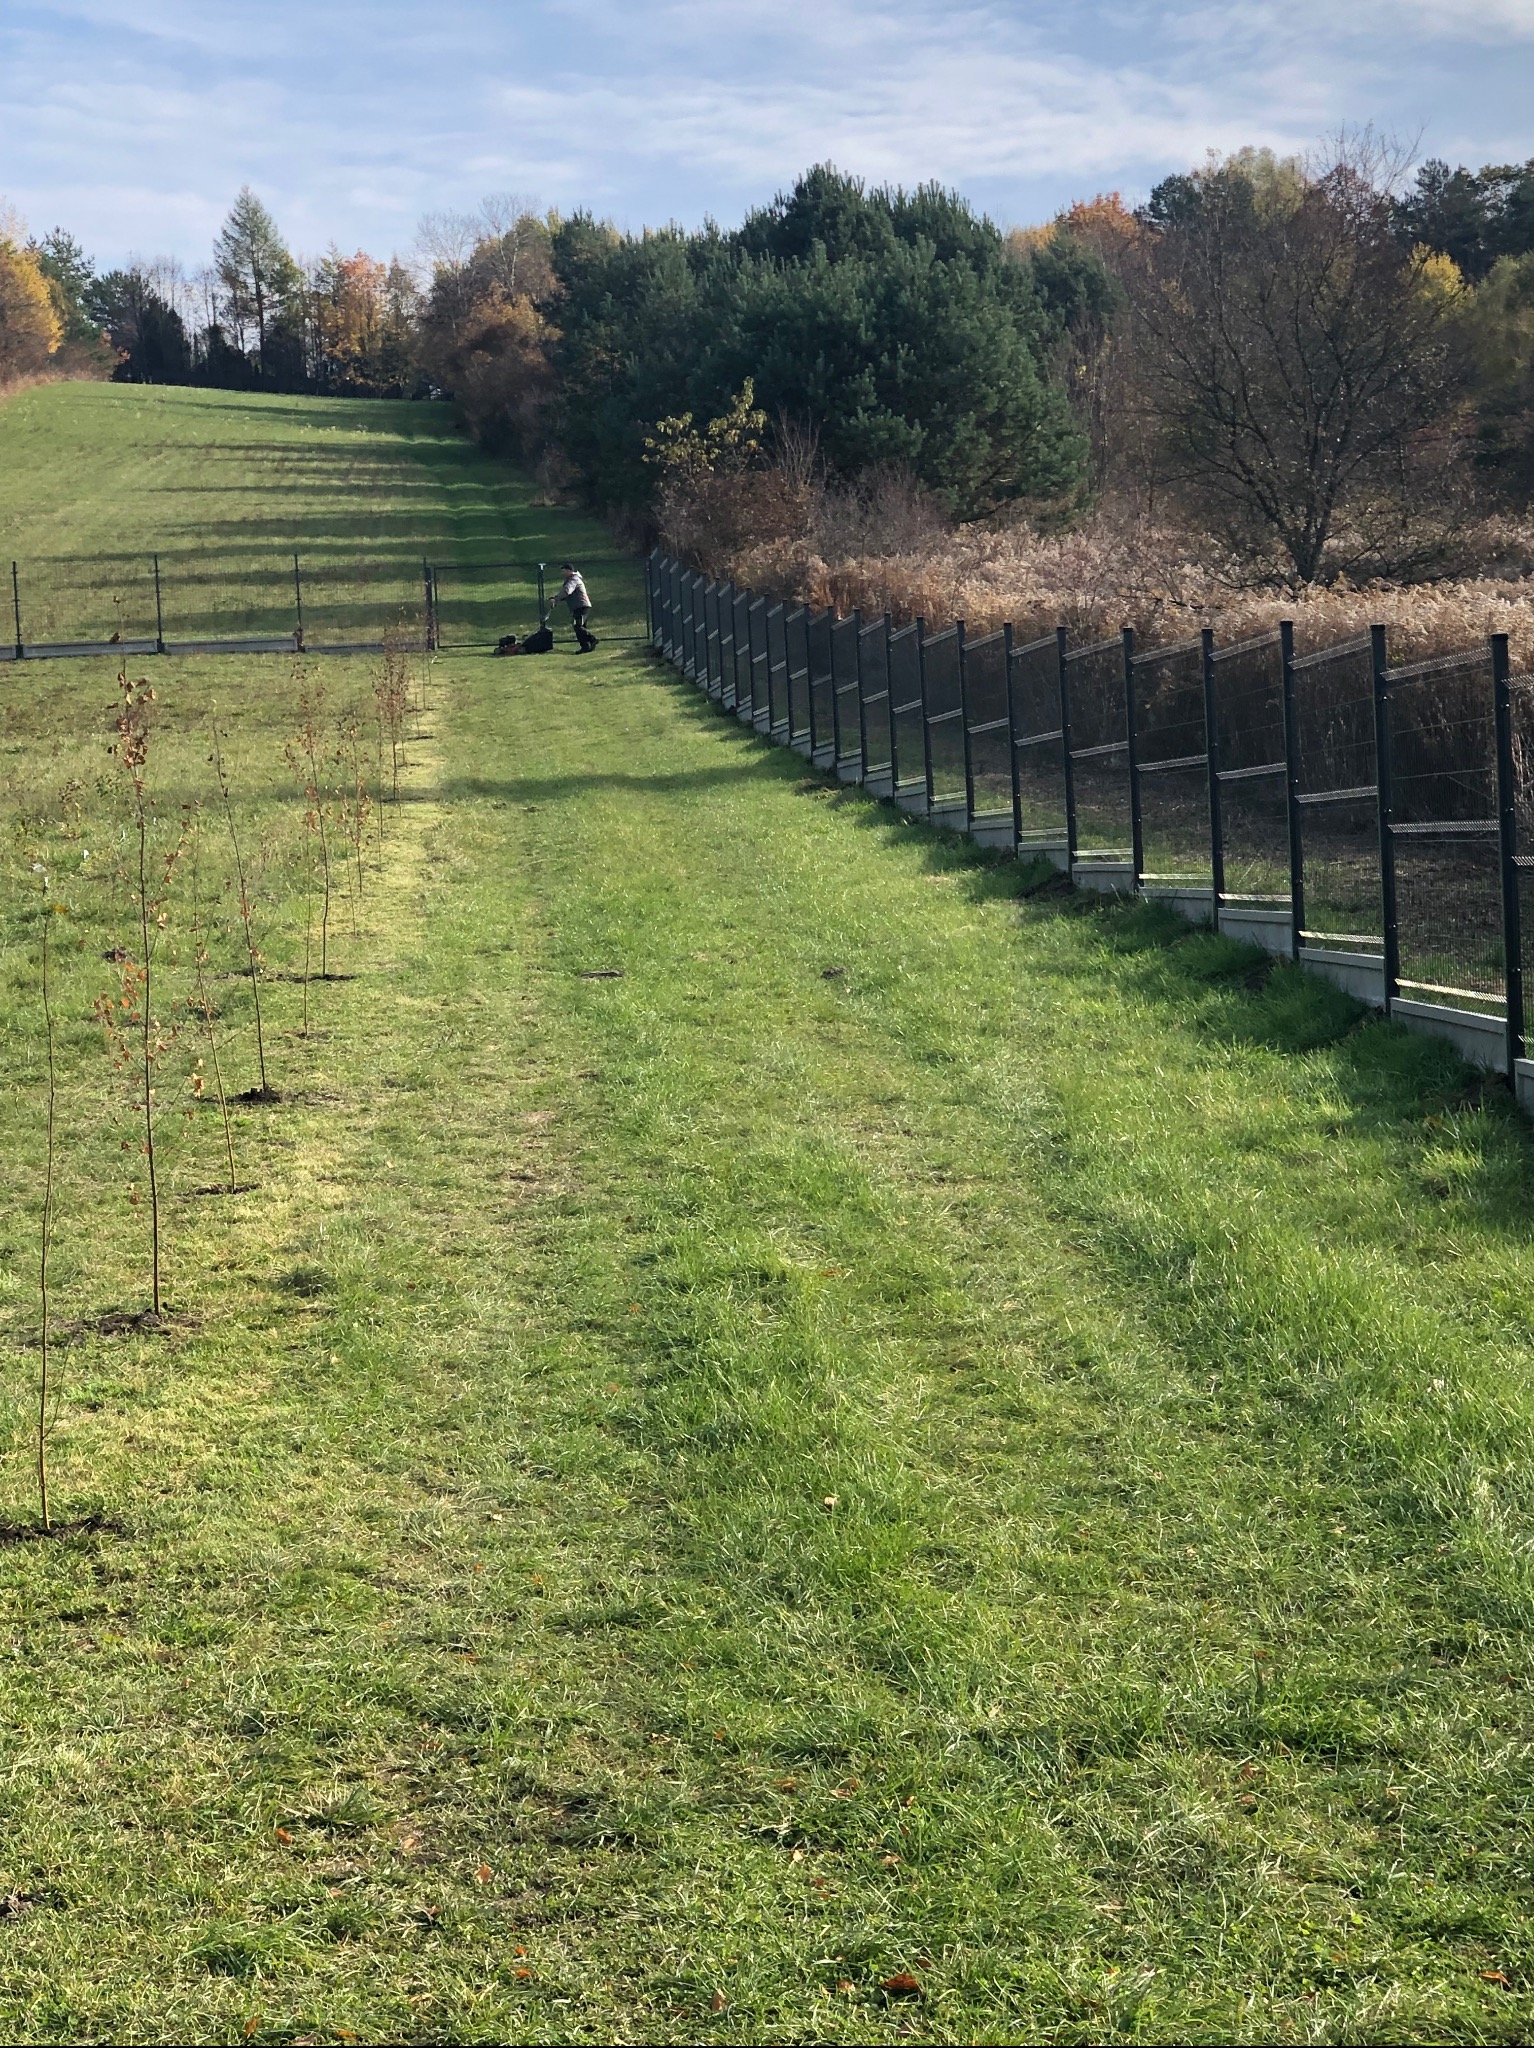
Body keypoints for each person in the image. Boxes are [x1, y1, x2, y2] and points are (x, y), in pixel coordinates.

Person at [554, 562, 597, 651]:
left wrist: (556, 599)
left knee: (577, 626)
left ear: (570, 571)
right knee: (581, 627)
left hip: (581, 606)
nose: (563, 573)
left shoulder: (573, 579)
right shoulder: (573, 579)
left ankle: (592, 639)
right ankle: (586, 647)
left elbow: (567, 591)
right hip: (580, 606)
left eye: (564, 571)